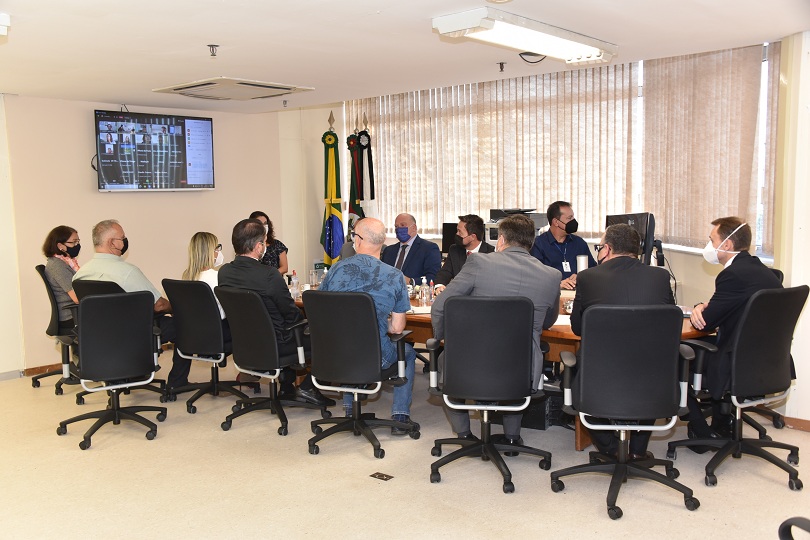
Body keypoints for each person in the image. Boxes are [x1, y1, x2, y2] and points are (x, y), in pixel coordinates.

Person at [431, 214, 561, 446]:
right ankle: (512, 438)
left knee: (445, 360)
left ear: (501, 239)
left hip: (470, 362)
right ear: (531, 242)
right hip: (522, 367)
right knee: (519, 360)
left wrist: (444, 341)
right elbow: (548, 322)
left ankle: (464, 435)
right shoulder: (552, 275)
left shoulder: (479, 263)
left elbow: (441, 305)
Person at [569, 223, 675, 459]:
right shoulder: (660, 277)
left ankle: (610, 448)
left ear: (607, 249)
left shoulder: (588, 277)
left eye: (599, 247)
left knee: (577, 369)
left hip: (600, 375)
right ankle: (637, 449)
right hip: (652, 376)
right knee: (650, 370)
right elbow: (668, 322)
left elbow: (577, 327)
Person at [685, 217, 783, 442]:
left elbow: (705, 323)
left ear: (727, 244)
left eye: (712, 240)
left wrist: (699, 308)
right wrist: (710, 307)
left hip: (734, 359)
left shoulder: (732, 275)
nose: (709, 246)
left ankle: (701, 431)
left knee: (671, 356)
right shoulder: (762, 271)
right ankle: (722, 419)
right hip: (766, 359)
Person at [217, 218, 333, 407]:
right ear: (258, 246)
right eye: (263, 243)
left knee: (283, 325)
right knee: (328, 336)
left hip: (245, 343)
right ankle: (308, 387)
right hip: (277, 344)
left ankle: (286, 387)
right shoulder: (269, 275)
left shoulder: (224, 272)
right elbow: (291, 314)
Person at [318, 217, 419, 434]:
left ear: (358, 240)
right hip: (374, 357)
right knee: (408, 352)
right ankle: (400, 416)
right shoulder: (395, 276)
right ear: (382, 243)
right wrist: (381, 323)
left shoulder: (335, 270)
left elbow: (322, 309)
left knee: (347, 337)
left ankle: (349, 409)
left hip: (334, 353)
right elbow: (398, 328)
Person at [72, 220, 186, 387]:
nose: (125, 241)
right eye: (122, 238)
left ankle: (127, 375)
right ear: (112, 243)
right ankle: (178, 382)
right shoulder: (127, 272)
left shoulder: (81, 274)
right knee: (184, 325)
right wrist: (177, 309)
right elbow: (159, 305)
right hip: (134, 334)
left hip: (99, 336)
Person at [530, 201, 596, 290]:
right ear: (556, 222)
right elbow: (535, 276)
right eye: (569, 218)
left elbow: (593, 270)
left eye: (573, 217)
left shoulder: (579, 243)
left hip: (577, 293)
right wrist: (557, 284)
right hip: (552, 293)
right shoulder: (538, 244)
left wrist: (581, 277)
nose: (573, 221)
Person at [433, 214, 494, 294]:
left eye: (460, 232)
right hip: (458, 296)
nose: (457, 234)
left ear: (472, 237)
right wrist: (439, 285)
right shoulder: (454, 250)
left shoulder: (491, 253)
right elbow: (445, 272)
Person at [381, 213, 441, 284]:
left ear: (414, 227)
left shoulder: (429, 248)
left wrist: (411, 281)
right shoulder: (388, 250)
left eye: (402, 225)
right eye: (396, 226)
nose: (398, 229)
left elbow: (433, 277)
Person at [42, 226, 82, 329]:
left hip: (75, 314)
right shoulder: (58, 266)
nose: (77, 245)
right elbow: (77, 298)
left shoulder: (67, 262)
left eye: (78, 241)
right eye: (73, 242)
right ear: (60, 246)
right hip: (70, 317)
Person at [249, 210, 289, 275]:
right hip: (255, 279)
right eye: (260, 223)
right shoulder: (248, 246)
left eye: (265, 223)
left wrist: (270, 276)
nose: (263, 226)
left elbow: (284, 268)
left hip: (274, 279)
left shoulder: (277, 244)